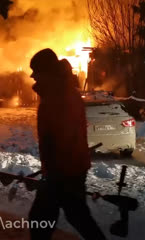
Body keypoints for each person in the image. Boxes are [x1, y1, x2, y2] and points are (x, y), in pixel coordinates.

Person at [29, 49, 107, 240]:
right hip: (67, 169)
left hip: (64, 171)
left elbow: (62, 137)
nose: (33, 77)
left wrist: (54, 173)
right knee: (76, 216)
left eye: (36, 72)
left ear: (46, 72)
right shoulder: (59, 92)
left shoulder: (59, 96)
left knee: (42, 220)